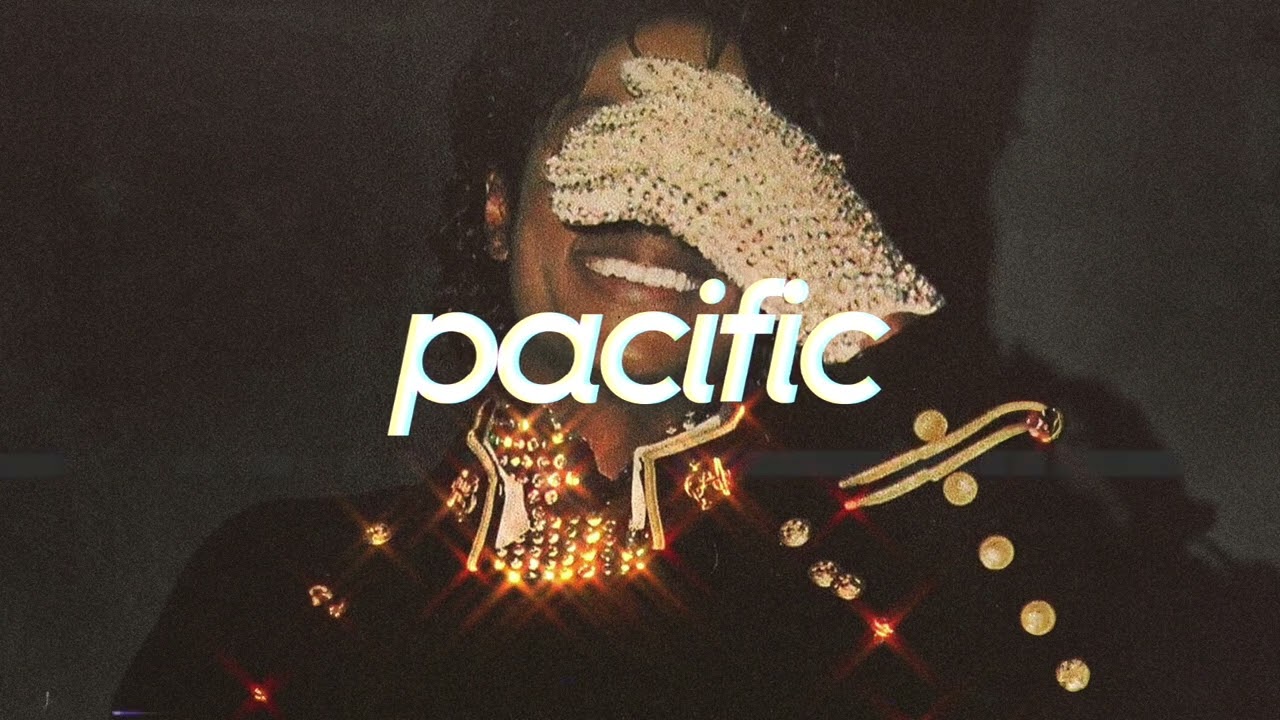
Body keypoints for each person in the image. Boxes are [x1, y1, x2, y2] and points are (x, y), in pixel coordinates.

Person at [113, 1, 1280, 718]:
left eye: (726, 163)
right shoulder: (279, 582)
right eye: (611, 139)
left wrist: (863, 319)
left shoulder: (864, 607)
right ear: (497, 206)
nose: (664, 206)